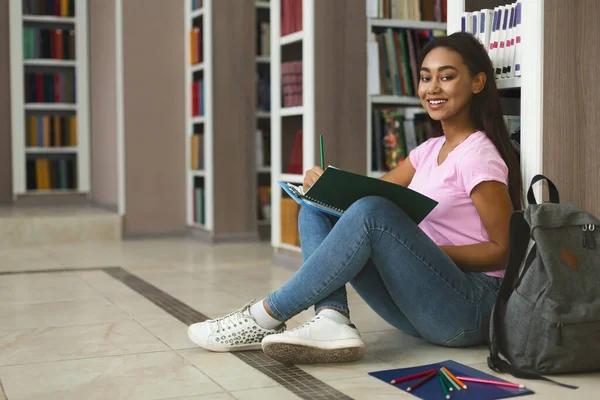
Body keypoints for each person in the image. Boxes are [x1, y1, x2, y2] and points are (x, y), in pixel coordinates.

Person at [187, 32, 523, 365]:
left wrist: (423, 254)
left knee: (373, 212)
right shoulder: (429, 150)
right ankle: (332, 318)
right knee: (315, 209)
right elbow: (366, 194)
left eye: (446, 77)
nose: (432, 88)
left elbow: (504, 251)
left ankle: (263, 315)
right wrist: (324, 185)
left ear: (477, 83)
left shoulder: (478, 155)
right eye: (425, 78)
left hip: (468, 310)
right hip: (421, 310)